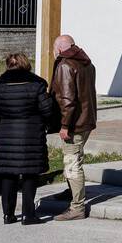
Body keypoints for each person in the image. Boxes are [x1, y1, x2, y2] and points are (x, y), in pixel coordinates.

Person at [0, 53, 55, 225]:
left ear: (8, 65)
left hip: (6, 136)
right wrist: (48, 125)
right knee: (30, 174)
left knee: (8, 175)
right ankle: (28, 214)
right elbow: (47, 110)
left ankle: (7, 214)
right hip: (31, 134)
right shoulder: (36, 84)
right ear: (26, 64)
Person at [51, 34, 97, 221]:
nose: (53, 52)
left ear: (61, 49)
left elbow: (67, 100)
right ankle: (72, 192)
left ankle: (77, 207)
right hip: (86, 120)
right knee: (76, 158)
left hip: (74, 124)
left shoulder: (65, 65)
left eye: (54, 48)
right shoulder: (86, 62)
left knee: (72, 164)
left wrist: (64, 125)